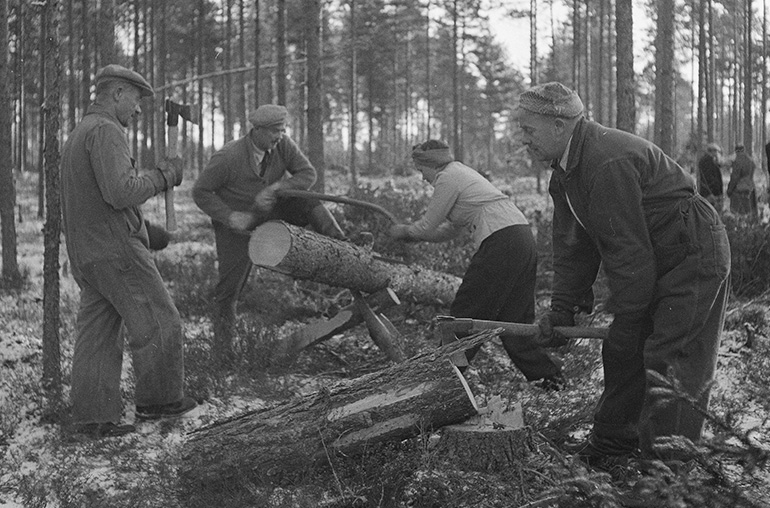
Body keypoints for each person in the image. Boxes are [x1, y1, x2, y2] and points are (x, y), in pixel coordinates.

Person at [517, 82, 730, 463]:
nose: (523, 139)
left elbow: (627, 251)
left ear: (559, 125)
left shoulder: (604, 161)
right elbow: (572, 248)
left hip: (691, 253)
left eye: (529, 129)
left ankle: (667, 474)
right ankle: (612, 448)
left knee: (669, 358)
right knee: (624, 351)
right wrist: (562, 310)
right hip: (658, 254)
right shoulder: (566, 173)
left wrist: (629, 317)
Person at [61, 64, 197, 439]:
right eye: (136, 101)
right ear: (118, 93)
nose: (138, 111)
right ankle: (160, 402)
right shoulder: (106, 131)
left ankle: (93, 420)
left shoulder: (79, 133)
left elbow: (97, 199)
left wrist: (145, 230)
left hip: (88, 254)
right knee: (159, 320)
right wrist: (164, 175)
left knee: (98, 337)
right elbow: (120, 192)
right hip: (115, 251)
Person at [388, 140, 564, 389]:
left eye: (421, 170)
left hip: (501, 240)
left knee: (467, 310)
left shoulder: (447, 177)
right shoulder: (461, 173)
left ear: (431, 165)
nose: (422, 178)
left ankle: (442, 379)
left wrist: (403, 231)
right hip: (520, 237)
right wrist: (413, 235)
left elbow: (427, 225)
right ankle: (550, 377)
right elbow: (448, 230)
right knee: (514, 318)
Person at [193, 104, 345, 364]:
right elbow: (200, 192)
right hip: (237, 223)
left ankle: (344, 248)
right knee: (229, 289)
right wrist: (230, 216)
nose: (280, 136)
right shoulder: (228, 156)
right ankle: (223, 355)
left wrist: (275, 189)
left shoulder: (283, 145)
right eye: (275, 131)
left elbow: (308, 174)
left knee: (306, 201)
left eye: (283, 130)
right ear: (258, 130)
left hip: (270, 211)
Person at [726, 145, 758, 219]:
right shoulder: (751, 160)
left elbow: (735, 177)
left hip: (739, 189)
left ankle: (739, 227)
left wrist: (729, 190)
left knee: (737, 213)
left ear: (736, 151)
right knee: (749, 212)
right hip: (750, 188)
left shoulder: (737, 161)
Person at [697, 143, 723, 212]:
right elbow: (712, 179)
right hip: (711, 193)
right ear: (712, 151)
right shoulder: (709, 162)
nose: (717, 154)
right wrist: (717, 192)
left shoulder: (706, 161)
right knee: (711, 212)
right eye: (717, 152)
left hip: (707, 192)